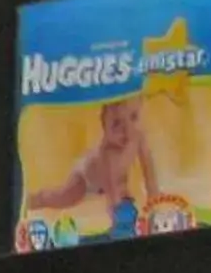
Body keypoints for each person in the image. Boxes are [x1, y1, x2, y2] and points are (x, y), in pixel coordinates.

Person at [30, 93, 161, 224]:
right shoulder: (107, 153)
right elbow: (111, 192)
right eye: (116, 124)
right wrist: (120, 220)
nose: (127, 130)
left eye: (134, 117)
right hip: (85, 177)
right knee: (67, 197)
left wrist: (154, 200)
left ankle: (121, 191)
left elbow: (148, 168)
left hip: (113, 178)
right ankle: (39, 198)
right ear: (104, 126)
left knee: (124, 188)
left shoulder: (138, 137)